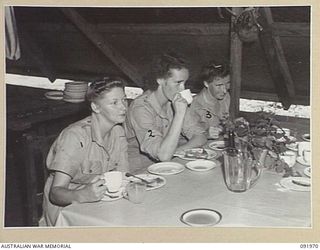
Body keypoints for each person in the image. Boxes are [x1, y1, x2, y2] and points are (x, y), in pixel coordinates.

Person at [40, 77, 128, 226]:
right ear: (96, 107)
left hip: (100, 204)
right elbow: (55, 194)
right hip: (66, 212)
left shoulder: (118, 132)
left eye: (124, 100)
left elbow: (123, 176)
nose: (124, 107)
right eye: (114, 102)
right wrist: (82, 194)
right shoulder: (75, 137)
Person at [124, 52, 207, 173]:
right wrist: (179, 114)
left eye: (185, 83)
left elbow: (200, 136)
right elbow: (163, 156)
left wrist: (177, 150)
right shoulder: (141, 108)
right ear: (160, 80)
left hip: (170, 164)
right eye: (178, 83)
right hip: (140, 171)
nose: (183, 89)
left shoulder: (174, 100)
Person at [189, 62, 231, 139]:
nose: (224, 90)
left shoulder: (225, 97)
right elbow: (190, 135)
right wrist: (206, 134)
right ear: (206, 84)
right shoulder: (194, 105)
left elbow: (225, 122)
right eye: (219, 85)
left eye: (227, 83)